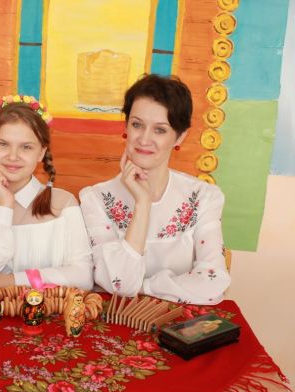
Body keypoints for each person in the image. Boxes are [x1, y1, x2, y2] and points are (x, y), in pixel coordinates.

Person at [79, 74, 231, 305]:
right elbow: (120, 284)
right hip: (115, 322)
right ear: (126, 127)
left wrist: (144, 287)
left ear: (180, 137)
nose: (144, 139)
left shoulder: (203, 197)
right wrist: (142, 204)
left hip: (181, 323)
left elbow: (213, 283)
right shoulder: (96, 199)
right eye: (137, 125)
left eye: (159, 130)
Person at [0, 95, 93, 291]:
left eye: (26, 147)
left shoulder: (63, 204)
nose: (13, 156)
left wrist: (12, 280)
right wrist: (5, 207)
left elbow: (83, 277)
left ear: (41, 153)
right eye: (3, 144)